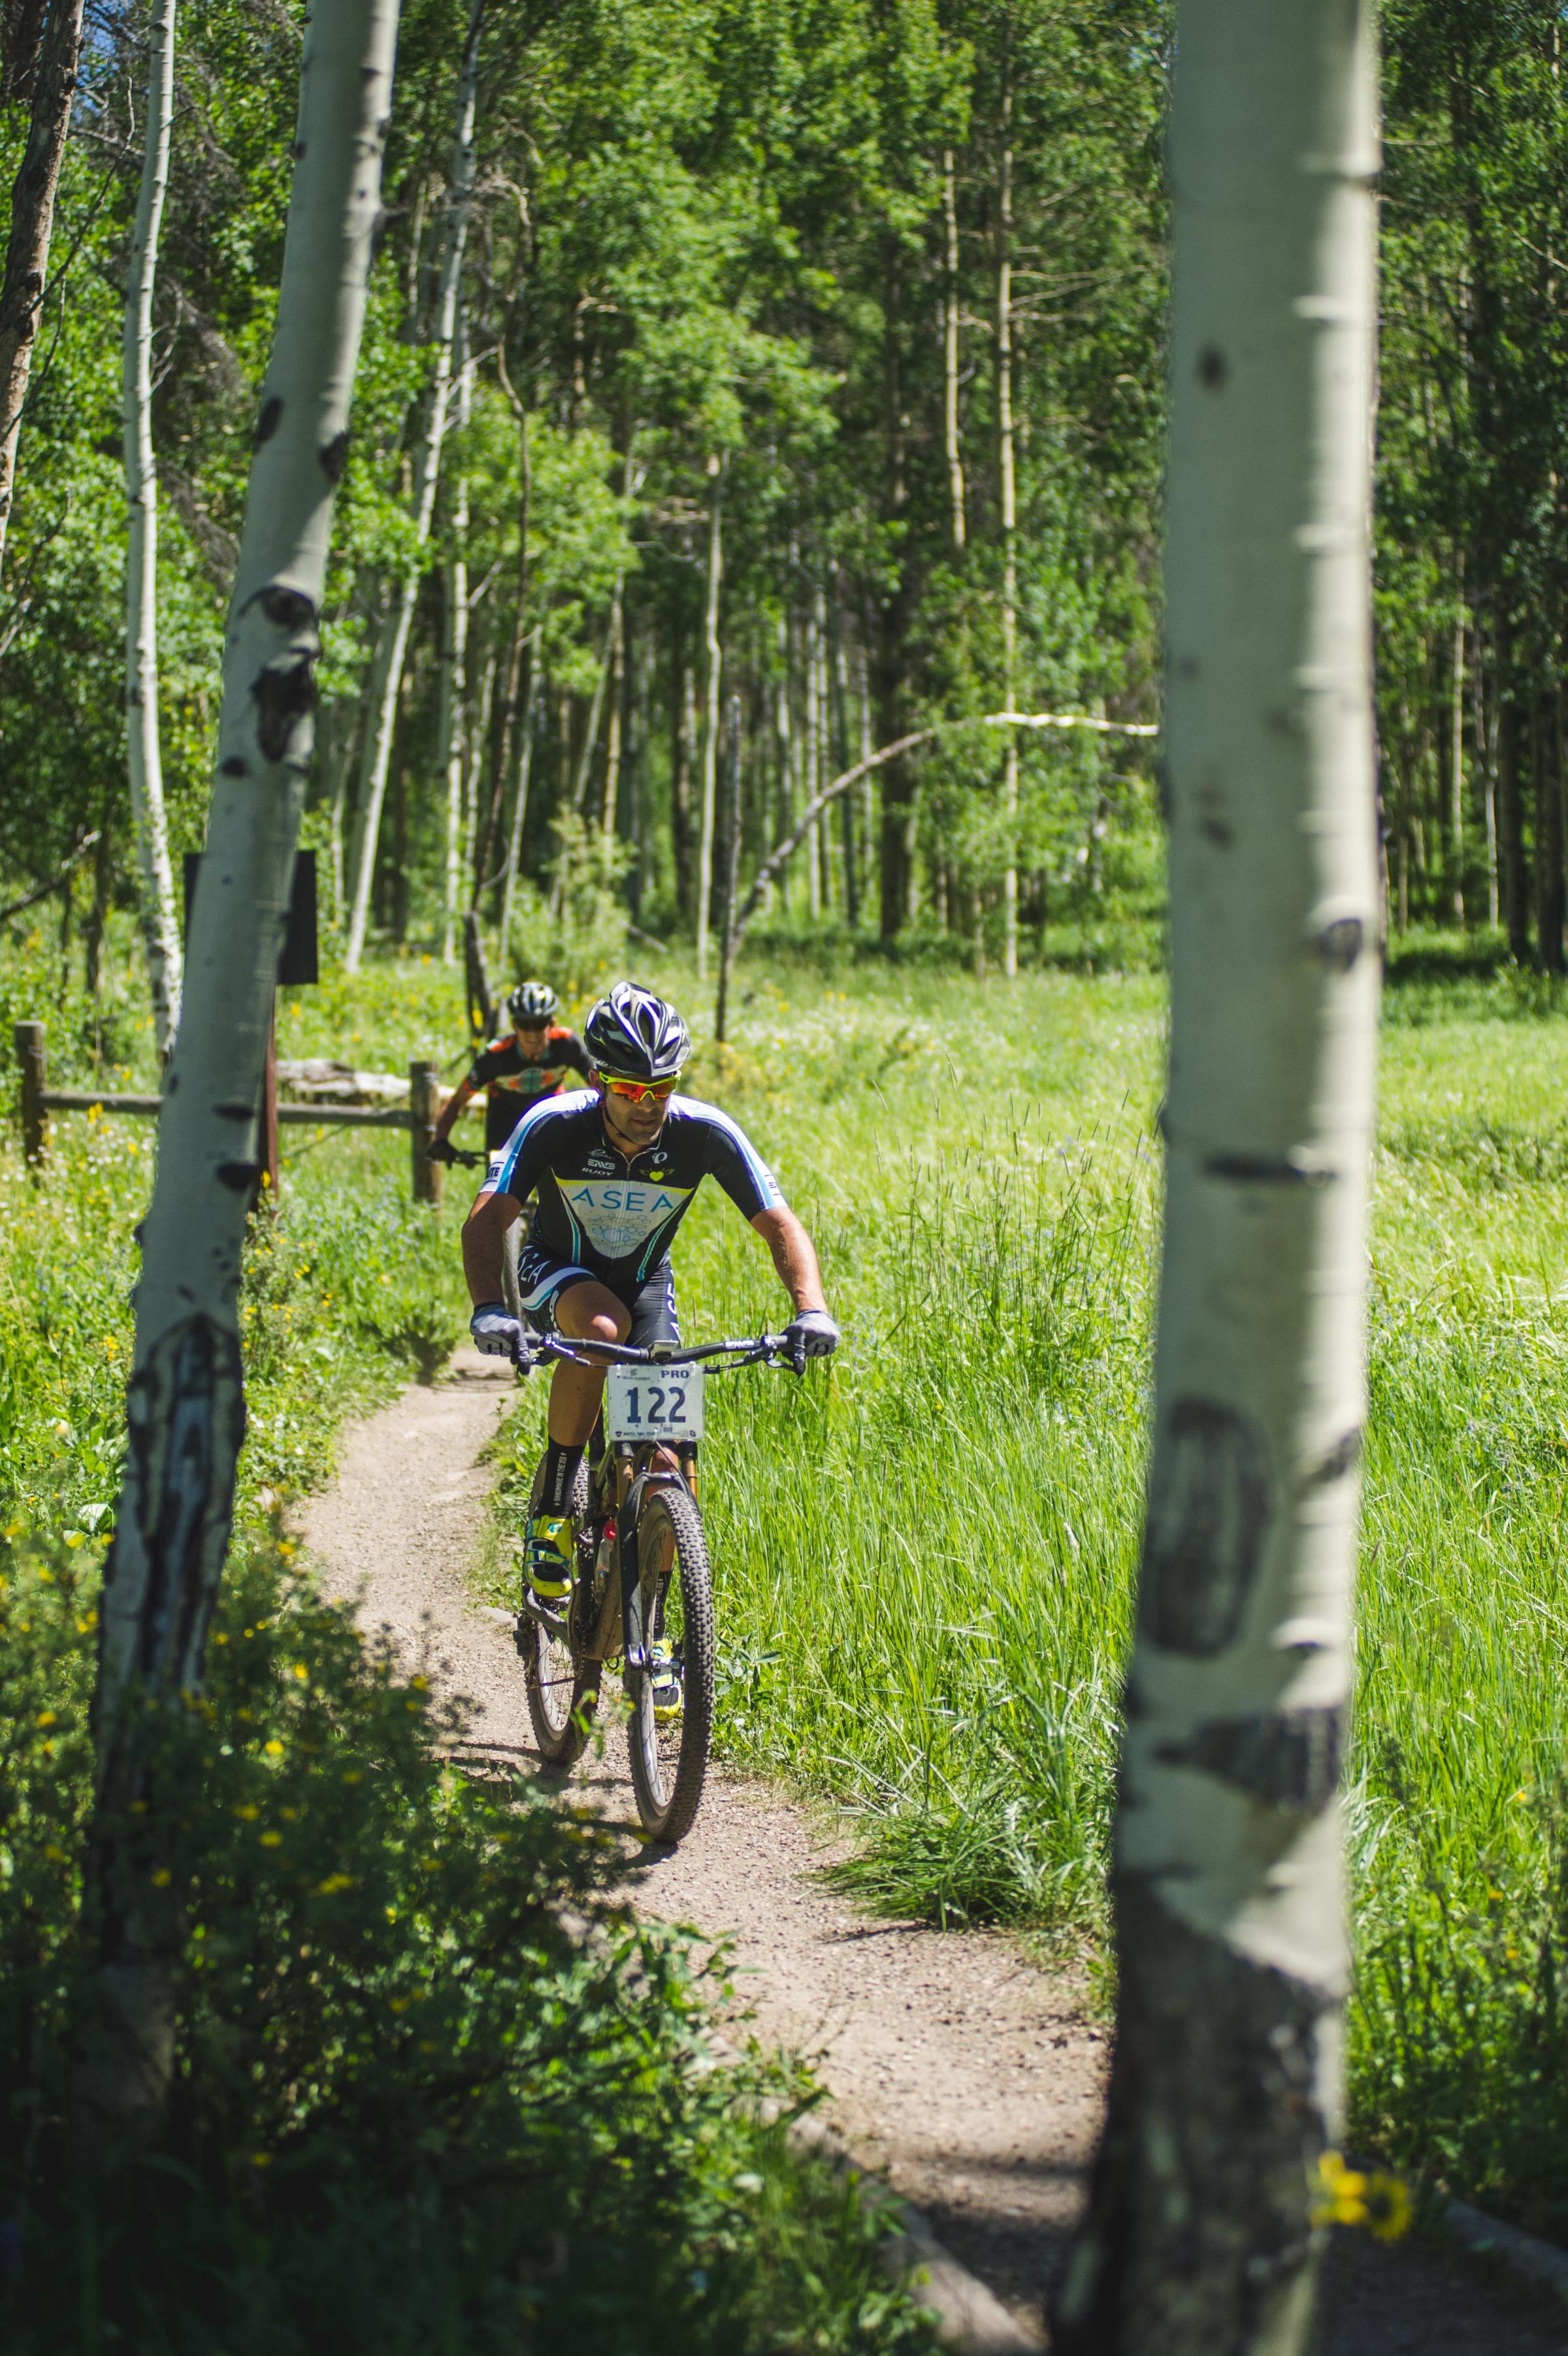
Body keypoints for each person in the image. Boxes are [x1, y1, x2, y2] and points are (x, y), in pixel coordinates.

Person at [461, 981, 838, 1627]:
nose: (647, 1105)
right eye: (631, 1090)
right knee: (605, 1327)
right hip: (556, 1268)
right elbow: (485, 1219)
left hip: (644, 1279)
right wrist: (490, 1307)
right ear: (599, 1079)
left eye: (660, 1089)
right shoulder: (554, 1123)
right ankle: (553, 1510)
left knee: (670, 1458)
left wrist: (811, 1309)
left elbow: (781, 1225)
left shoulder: (703, 1132)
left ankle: (658, 1623)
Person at [429, 979, 591, 1163]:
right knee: (501, 1188)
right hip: (504, 1121)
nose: (532, 1033)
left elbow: (601, 1087)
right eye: (524, 1024)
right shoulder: (496, 1057)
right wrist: (440, 1139)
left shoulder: (567, 1045)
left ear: (551, 1023)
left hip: (548, 1113)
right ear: (514, 1026)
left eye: (539, 1024)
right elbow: (457, 1101)